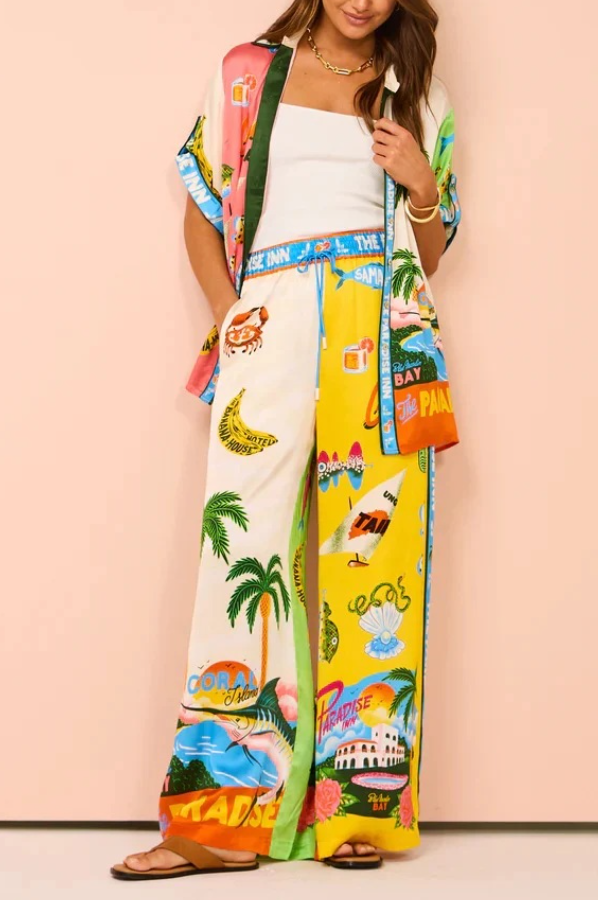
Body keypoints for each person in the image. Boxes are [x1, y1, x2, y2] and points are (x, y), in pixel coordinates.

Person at [110, 0, 461, 880]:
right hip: (272, 315)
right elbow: (201, 210)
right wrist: (235, 319)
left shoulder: (418, 91)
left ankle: (360, 811)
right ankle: (217, 824)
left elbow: (432, 250)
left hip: (379, 334)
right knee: (242, 554)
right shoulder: (248, 73)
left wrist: (421, 186)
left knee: (374, 561)